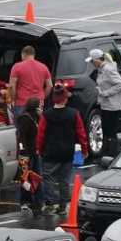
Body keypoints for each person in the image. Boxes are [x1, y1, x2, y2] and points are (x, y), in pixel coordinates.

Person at [37, 85, 89, 227]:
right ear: (65, 99)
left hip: (50, 151)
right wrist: (84, 149)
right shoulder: (74, 113)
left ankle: (50, 202)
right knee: (64, 179)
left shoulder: (46, 115)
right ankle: (62, 205)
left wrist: (39, 149)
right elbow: (81, 133)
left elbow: (41, 134)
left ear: (54, 99)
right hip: (67, 151)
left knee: (48, 177)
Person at [88, 50, 121, 144]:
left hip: (113, 106)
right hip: (106, 104)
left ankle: (113, 153)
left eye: (92, 61)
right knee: (106, 130)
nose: (91, 64)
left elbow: (120, 84)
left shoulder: (108, 69)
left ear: (97, 60)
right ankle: (109, 151)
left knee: (111, 131)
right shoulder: (101, 69)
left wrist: (105, 93)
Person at [8, 43, 52, 118]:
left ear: (23, 54)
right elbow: (50, 86)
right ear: (33, 55)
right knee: (37, 126)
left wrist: (12, 99)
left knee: (22, 127)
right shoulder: (43, 67)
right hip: (38, 104)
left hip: (21, 103)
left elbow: (12, 86)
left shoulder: (17, 67)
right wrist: (42, 97)